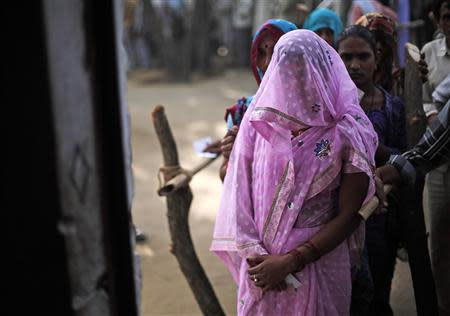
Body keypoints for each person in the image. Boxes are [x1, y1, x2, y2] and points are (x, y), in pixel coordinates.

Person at [211, 29, 378, 315]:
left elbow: (350, 215)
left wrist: (291, 261)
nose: (295, 78)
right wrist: (256, 255)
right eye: (286, 70)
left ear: (321, 70)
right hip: (261, 272)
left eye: (303, 69)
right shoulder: (258, 125)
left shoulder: (345, 131)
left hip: (319, 267)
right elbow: (239, 189)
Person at [337, 25, 407, 316]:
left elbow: (406, 160)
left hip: (379, 218)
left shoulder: (393, 108)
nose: (354, 65)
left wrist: (375, 150)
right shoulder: (328, 108)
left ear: (376, 60)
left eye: (363, 56)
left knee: (376, 293)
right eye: (346, 57)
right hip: (337, 219)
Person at [204, 19, 298, 181]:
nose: (268, 63)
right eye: (261, 53)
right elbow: (226, 177)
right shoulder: (243, 112)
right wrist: (237, 156)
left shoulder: (313, 114)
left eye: (277, 53)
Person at [420, 1, 450, 314]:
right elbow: (424, 99)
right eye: (447, 17)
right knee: (440, 240)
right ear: (438, 21)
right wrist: (433, 121)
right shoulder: (428, 53)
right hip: (440, 161)